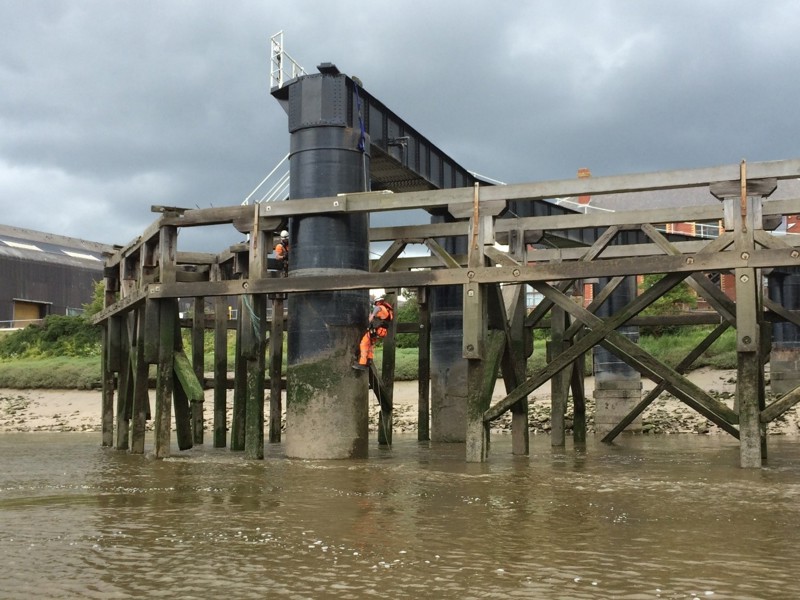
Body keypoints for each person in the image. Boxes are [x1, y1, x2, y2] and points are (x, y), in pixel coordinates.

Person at [354, 296, 394, 370]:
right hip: (382, 332)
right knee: (370, 345)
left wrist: (370, 317)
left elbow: (371, 318)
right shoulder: (387, 310)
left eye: (375, 303)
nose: (375, 305)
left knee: (364, 344)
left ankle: (362, 363)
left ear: (378, 302)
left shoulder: (379, 307)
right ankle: (369, 360)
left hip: (377, 330)